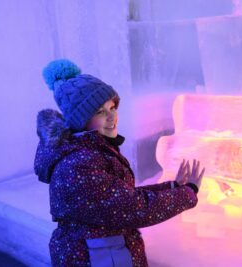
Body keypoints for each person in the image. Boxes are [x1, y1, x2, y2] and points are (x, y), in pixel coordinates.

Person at [34, 59, 205, 267]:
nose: (112, 117)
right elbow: (132, 208)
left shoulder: (90, 151)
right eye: (99, 112)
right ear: (80, 121)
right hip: (95, 258)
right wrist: (187, 193)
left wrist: (172, 186)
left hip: (103, 253)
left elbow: (119, 195)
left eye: (112, 107)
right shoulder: (78, 164)